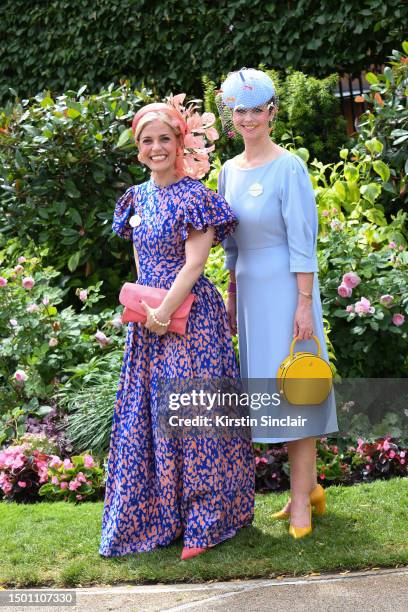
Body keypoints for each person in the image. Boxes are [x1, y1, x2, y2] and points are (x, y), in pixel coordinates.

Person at [99, 95, 254, 560]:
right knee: (150, 417)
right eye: (147, 141)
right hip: (149, 323)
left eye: (164, 138)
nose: (156, 148)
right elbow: (140, 259)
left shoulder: (197, 198)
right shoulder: (136, 198)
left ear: (180, 142)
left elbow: (195, 264)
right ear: (138, 148)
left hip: (190, 320)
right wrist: (147, 310)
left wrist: (164, 312)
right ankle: (159, 515)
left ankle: (208, 519)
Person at [217, 69, 338, 538]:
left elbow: (303, 241)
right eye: (240, 111)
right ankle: (307, 490)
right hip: (249, 293)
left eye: (257, 109)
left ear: (272, 112)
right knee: (272, 394)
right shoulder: (227, 170)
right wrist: (230, 294)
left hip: (289, 290)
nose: (249, 119)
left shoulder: (289, 166)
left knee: (298, 391)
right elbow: (229, 243)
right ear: (233, 117)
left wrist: (304, 303)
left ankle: (301, 502)